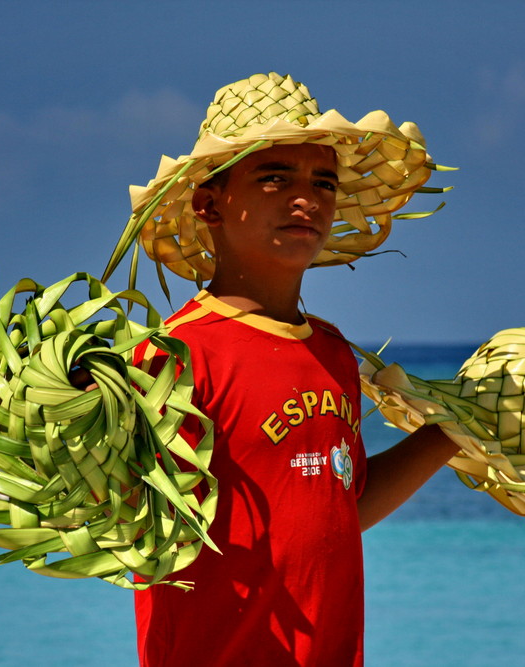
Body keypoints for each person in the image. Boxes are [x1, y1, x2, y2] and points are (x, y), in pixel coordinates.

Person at [115, 73, 460, 666]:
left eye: (323, 182)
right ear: (209, 203)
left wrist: (454, 432)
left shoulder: (330, 351)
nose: (307, 197)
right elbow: (136, 530)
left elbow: (337, 505)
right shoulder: (175, 358)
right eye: (273, 177)